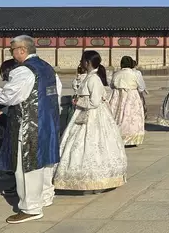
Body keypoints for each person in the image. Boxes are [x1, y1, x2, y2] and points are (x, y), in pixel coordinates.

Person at [0, 35, 61, 224]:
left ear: (22, 50)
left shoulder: (23, 71)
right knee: (45, 161)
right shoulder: (47, 67)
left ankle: (31, 208)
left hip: (29, 123)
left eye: (12, 50)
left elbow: (10, 96)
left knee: (27, 167)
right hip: (48, 120)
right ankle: (45, 196)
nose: (11, 53)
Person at [54, 51, 127, 192]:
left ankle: (97, 178)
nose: (81, 63)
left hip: (92, 115)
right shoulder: (89, 77)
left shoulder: (93, 79)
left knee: (92, 143)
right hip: (84, 113)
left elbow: (94, 101)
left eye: (82, 60)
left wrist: (78, 101)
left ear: (87, 62)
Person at [109, 56, 145, 147]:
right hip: (131, 96)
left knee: (117, 116)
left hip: (118, 96)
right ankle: (131, 138)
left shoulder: (116, 74)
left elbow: (112, 85)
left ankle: (118, 137)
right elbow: (141, 87)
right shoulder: (135, 74)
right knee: (131, 116)